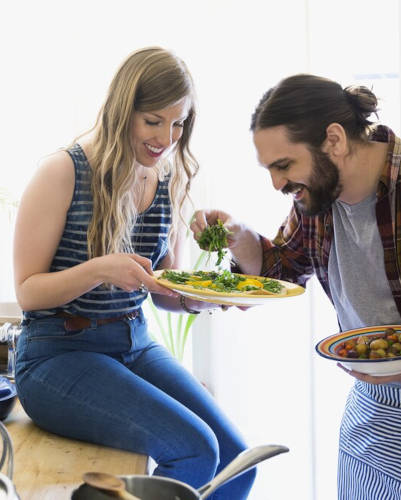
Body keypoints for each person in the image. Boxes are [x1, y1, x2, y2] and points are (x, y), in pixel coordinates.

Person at [191, 74, 401, 499]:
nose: (277, 184)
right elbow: (281, 269)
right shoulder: (314, 200)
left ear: (334, 140)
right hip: (370, 403)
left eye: (284, 165)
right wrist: (241, 235)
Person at [13, 46, 256, 498]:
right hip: (56, 356)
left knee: (238, 460)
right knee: (196, 449)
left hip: (135, 342)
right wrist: (99, 270)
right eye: (153, 120)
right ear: (123, 111)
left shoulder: (168, 177)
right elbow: (28, 293)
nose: (167, 136)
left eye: (179, 122)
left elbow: (165, 288)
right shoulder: (63, 171)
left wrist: (204, 296)